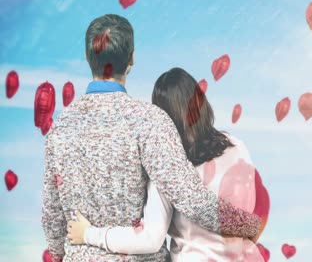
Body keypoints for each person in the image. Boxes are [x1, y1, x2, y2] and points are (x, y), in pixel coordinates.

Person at [41, 14, 261, 262]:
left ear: (87, 57)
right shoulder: (149, 121)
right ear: (132, 59)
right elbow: (191, 200)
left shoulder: (59, 128)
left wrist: (59, 254)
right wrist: (250, 225)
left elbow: (52, 213)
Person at [67, 68, 265, 261]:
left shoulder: (168, 167)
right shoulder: (237, 145)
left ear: (162, 118)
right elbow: (256, 207)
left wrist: (88, 234)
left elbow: (150, 239)